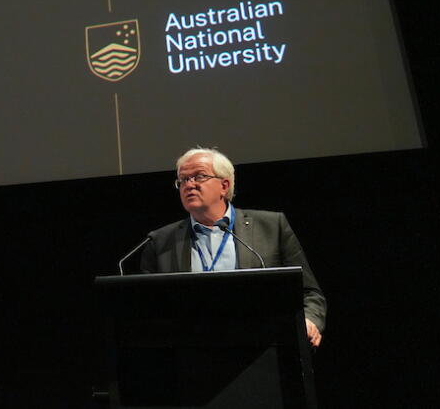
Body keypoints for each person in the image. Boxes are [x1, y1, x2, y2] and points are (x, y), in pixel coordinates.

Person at [139, 147, 327, 347]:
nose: (189, 185)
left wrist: (308, 321)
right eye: (183, 180)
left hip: (263, 350)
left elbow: (309, 293)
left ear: (224, 185)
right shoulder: (160, 241)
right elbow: (146, 307)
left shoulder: (271, 227)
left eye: (199, 176)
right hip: (190, 354)